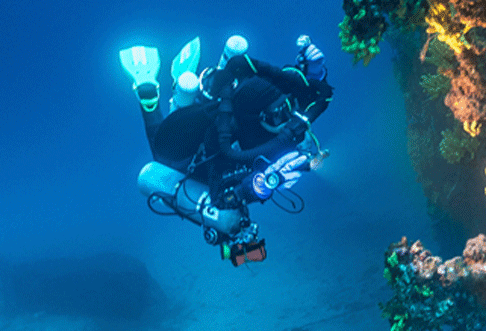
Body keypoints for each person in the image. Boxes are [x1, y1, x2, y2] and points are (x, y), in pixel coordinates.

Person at [119, 35, 332, 267]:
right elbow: (223, 194)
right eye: (279, 115)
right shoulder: (226, 142)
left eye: (288, 107)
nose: (287, 120)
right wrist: (260, 185)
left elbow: (307, 92)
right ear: (260, 117)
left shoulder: (271, 99)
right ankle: (148, 90)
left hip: (225, 108)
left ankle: (199, 86)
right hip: (197, 158)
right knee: (163, 157)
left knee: (213, 107)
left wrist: (315, 70)